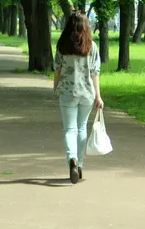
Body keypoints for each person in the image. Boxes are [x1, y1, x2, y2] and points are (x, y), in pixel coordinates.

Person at [53, 10, 104, 184]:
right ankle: (80, 164)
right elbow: (95, 72)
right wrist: (98, 96)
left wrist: (56, 87)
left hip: (67, 92)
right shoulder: (92, 46)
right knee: (82, 127)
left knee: (69, 129)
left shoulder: (62, 46)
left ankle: (72, 159)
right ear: (85, 26)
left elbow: (57, 68)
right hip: (87, 93)